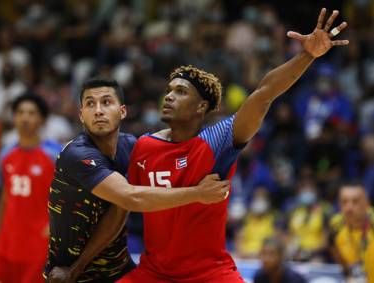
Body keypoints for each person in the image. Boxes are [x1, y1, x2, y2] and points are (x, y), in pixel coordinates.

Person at [117, 8, 348, 282]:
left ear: (201, 106)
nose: (168, 96)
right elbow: (129, 203)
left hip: (209, 272)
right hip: (154, 272)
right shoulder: (144, 145)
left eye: (180, 92)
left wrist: (307, 55)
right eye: (168, 91)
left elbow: (264, 94)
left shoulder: (215, 141)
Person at [44, 78, 230, 283]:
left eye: (106, 102)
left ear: (122, 111)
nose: (98, 110)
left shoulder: (132, 147)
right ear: (81, 115)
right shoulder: (77, 154)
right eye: (90, 104)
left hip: (119, 269)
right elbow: (131, 198)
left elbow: (119, 211)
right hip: (70, 273)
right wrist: (198, 193)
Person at [0, 93, 62, 283]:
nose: (25, 118)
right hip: (7, 242)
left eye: (31, 113)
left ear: (42, 119)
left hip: (39, 244)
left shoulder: (55, 154)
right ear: (14, 118)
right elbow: (3, 198)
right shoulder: (5, 155)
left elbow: (72, 197)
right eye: (20, 112)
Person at [329, 182, 374, 283]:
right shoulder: (335, 225)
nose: (349, 207)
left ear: (367, 203)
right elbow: (334, 250)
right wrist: (348, 275)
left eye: (355, 201)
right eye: (344, 202)